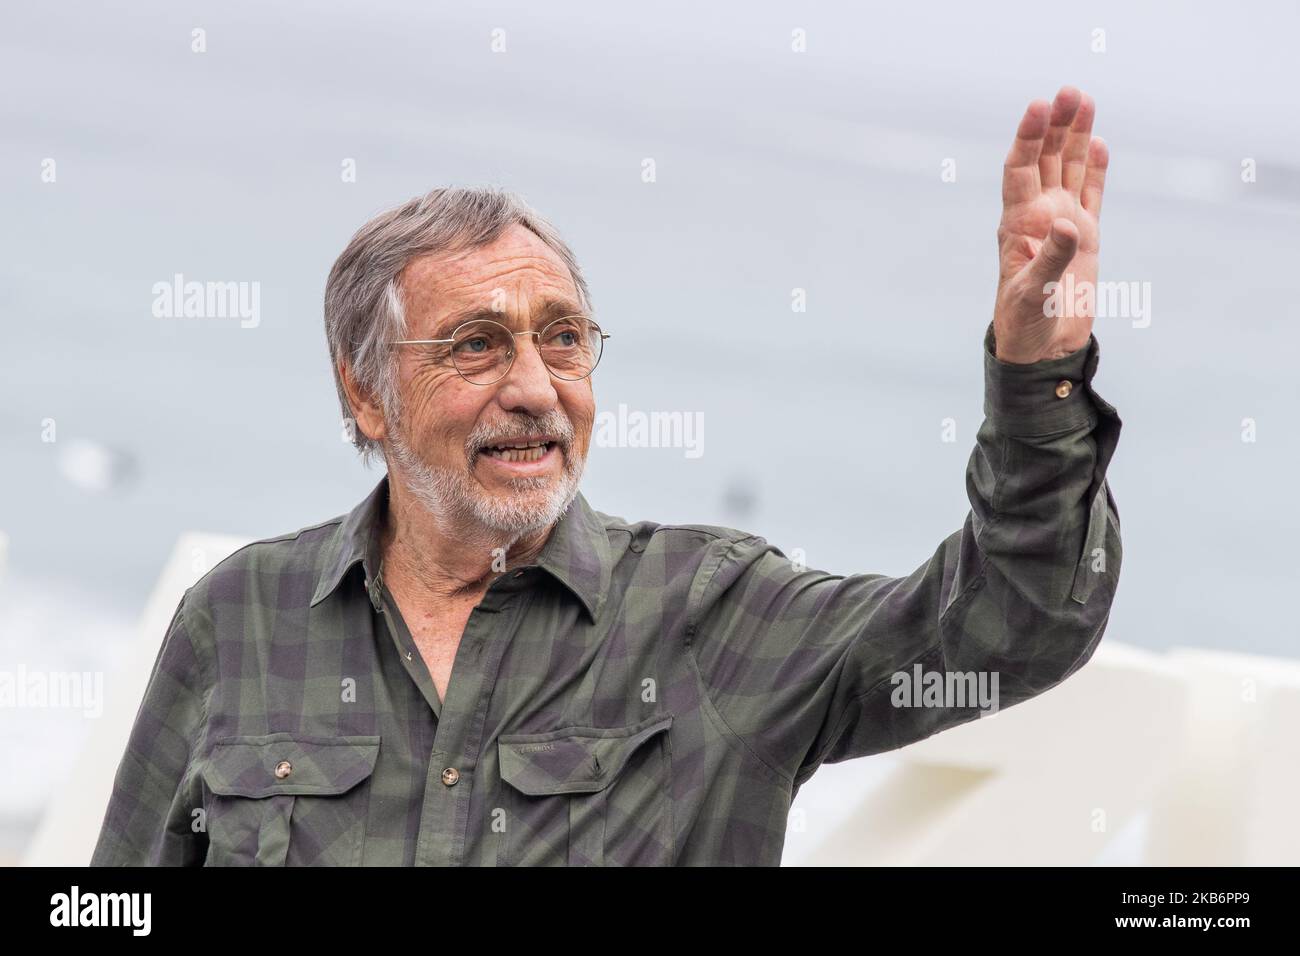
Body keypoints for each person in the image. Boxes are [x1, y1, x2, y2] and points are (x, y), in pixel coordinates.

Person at [91, 85, 1121, 866]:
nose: (537, 388)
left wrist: (1038, 378)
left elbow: (1012, 626)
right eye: (477, 345)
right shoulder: (240, 616)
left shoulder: (711, 615)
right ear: (365, 394)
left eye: (565, 339)